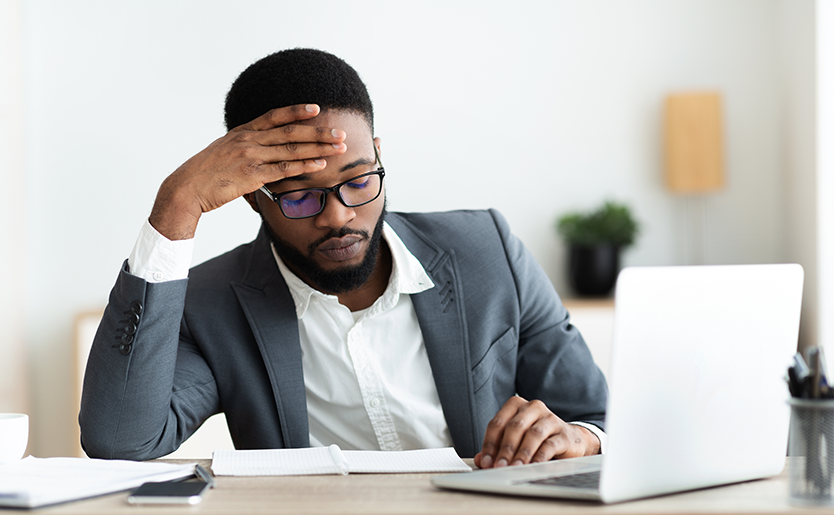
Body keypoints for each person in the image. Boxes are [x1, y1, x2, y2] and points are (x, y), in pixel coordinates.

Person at [79, 48, 607, 469]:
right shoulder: (213, 304)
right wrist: (178, 204)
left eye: (357, 181)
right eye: (300, 196)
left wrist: (577, 439)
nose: (337, 217)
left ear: (379, 154)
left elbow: (597, 416)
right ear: (251, 194)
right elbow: (122, 440)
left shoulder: (487, 250)